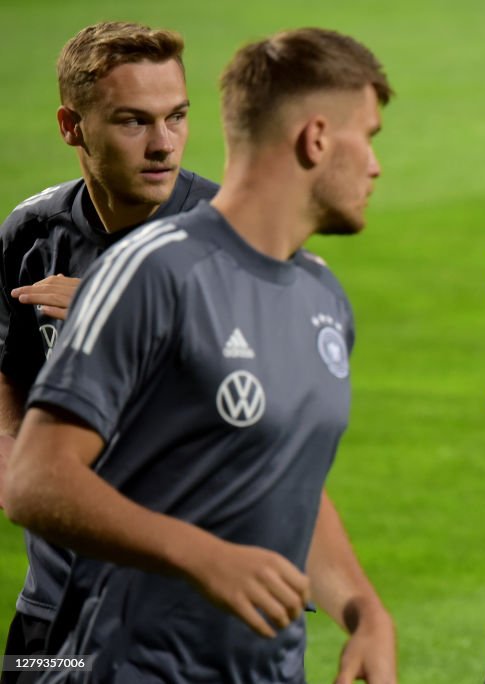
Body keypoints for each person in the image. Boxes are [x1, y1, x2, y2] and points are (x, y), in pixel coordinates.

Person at [3, 27, 396, 684]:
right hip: (126, 661)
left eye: (175, 117)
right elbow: (35, 479)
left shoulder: (321, 295)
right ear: (318, 138)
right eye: (371, 137)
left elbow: (285, 481)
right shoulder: (150, 270)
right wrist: (206, 556)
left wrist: (363, 609)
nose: (378, 165)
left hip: (264, 665)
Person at [0, 22, 217, 680]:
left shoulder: (228, 238)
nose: (162, 145)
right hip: (56, 602)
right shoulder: (32, 231)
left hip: (185, 609)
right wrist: (12, 465)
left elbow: (268, 404)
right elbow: (8, 366)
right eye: (132, 121)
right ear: (73, 126)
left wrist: (109, 306)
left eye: (176, 117)